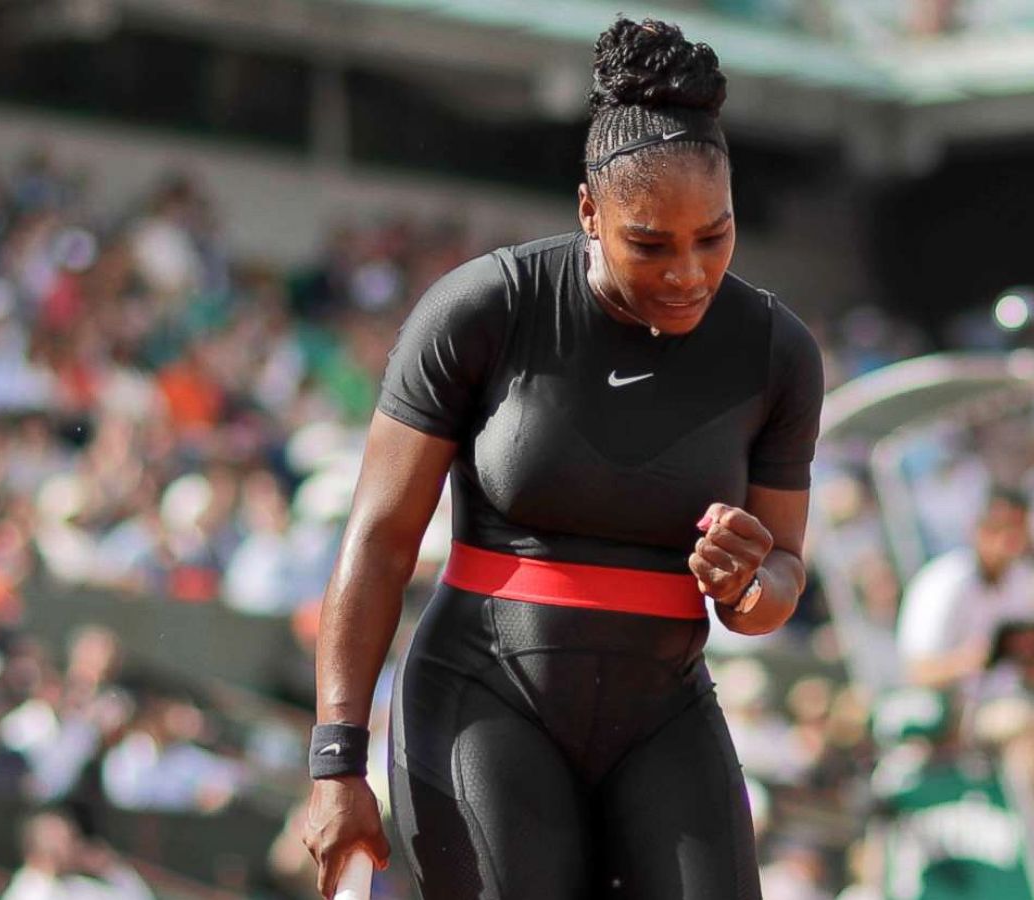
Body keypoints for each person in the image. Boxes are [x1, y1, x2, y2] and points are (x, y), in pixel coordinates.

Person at [301, 16, 824, 900]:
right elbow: (381, 540)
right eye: (650, 243)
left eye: (717, 236)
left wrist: (748, 580)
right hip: (483, 697)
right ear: (590, 210)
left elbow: (778, 586)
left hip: (662, 712)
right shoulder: (484, 309)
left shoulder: (777, 351)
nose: (689, 273)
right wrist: (335, 761)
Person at [896, 490, 1034, 843]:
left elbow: (1030, 667)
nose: (1012, 542)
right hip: (958, 712)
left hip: (1012, 701)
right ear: (980, 532)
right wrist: (969, 660)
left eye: (1019, 531)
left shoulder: (1022, 581)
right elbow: (916, 672)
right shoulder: (944, 582)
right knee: (1027, 724)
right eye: (1003, 531)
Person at [1, 811, 152, 900]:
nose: (74, 847)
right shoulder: (27, 891)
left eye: (72, 838)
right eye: (62, 840)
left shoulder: (80, 886)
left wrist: (112, 870)